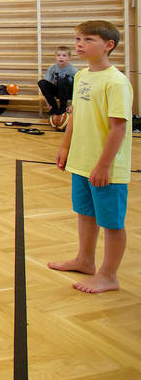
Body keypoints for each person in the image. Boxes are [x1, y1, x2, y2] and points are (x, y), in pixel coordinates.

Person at [47, 20, 131, 294]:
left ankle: (109, 275)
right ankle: (85, 260)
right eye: (78, 39)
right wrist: (65, 147)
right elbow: (74, 115)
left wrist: (104, 165)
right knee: (85, 212)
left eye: (88, 40)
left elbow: (119, 126)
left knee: (111, 222)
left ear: (108, 45)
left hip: (105, 167)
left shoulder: (116, 82)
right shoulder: (82, 76)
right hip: (81, 162)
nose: (80, 44)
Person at [38, 45, 77, 115]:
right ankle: (54, 106)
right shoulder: (52, 68)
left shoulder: (73, 70)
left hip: (69, 92)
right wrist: (48, 101)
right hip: (59, 92)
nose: (61, 57)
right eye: (59, 55)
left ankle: (62, 106)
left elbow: (78, 88)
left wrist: (73, 104)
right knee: (42, 82)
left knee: (62, 80)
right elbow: (46, 84)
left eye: (64, 55)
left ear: (69, 58)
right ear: (55, 57)